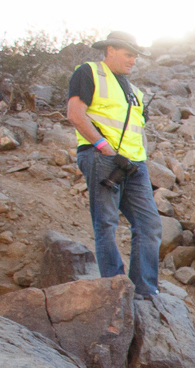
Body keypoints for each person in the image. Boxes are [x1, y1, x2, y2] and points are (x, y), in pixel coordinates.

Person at [66, 30, 160, 299]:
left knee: (149, 225)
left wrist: (139, 158)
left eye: (135, 56)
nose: (133, 60)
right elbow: (75, 114)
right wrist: (102, 146)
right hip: (102, 157)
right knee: (106, 223)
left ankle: (144, 290)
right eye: (128, 54)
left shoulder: (134, 91)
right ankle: (114, 288)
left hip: (134, 165)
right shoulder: (89, 72)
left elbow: (136, 128)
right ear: (110, 50)